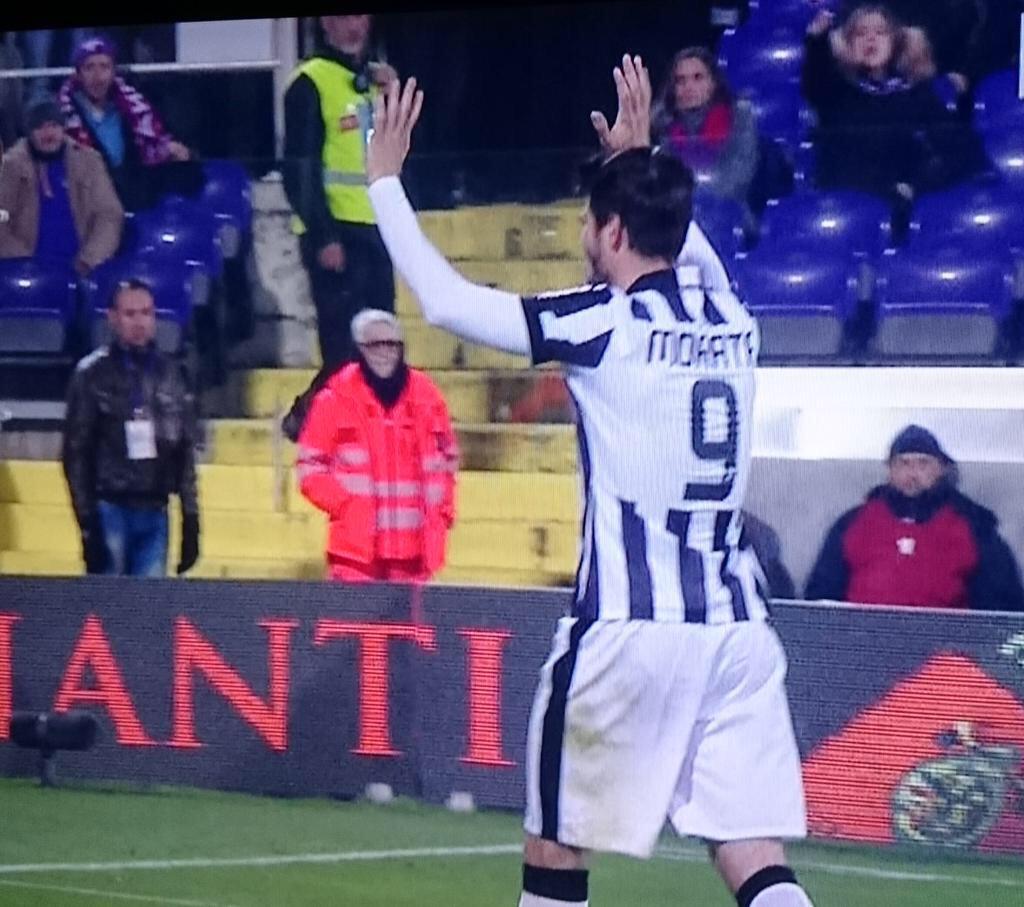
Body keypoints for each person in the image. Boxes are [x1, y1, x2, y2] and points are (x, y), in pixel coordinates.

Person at [365, 62, 815, 907]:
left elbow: (446, 300)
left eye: (590, 221)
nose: (583, 234)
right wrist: (640, 157)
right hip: (737, 630)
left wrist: (385, 181)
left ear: (611, 232)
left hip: (627, 629)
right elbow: (690, 251)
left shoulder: (600, 322)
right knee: (753, 852)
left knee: (558, 846)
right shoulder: (732, 318)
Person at [296, 308, 458, 583]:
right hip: (356, 557)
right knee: (351, 627)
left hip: (416, 557)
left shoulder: (427, 395)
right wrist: (347, 506)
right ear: (359, 349)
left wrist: (443, 512)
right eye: (375, 345)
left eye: (392, 344)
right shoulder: (334, 398)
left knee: (409, 628)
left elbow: (448, 459)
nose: (385, 352)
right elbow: (310, 469)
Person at [801, 5, 988, 234]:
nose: (871, 39)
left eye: (880, 32)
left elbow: (959, 149)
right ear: (848, 45)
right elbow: (814, 85)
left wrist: (913, 186)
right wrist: (817, 43)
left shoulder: (916, 92)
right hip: (854, 210)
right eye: (860, 33)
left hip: (910, 208)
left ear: (895, 42)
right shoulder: (838, 92)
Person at [283, 14, 400, 375]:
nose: (356, 25)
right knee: (344, 355)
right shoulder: (310, 81)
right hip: (336, 234)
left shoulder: (372, 81)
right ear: (325, 22)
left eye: (362, 15)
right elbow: (298, 169)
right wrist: (323, 236)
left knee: (383, 353)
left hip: (375, 229)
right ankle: (311, 419)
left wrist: (393, 97)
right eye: (345, 16)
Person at [62, 278, 201, 578]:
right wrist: (87, 523)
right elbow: (76, 453)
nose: (140, 322)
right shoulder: (91, 374)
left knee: (147, 615)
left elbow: (185, 449)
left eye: (146, 313)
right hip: (109, 507)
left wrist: (191, 518)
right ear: (112, 317)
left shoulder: (172, 374)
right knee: (111, 609)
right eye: (130, 314)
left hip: (156, 509)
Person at [805, 424, 1024, 611]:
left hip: (946, 653)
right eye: (904, 463)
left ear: (940, 469)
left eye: (923, 463)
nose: (912, 473)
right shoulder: (853, 524)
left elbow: (1001, 608)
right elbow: (821, 596)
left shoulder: (975, 527)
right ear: (890, 470)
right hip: (862, 649)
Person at [58, 36, 200, 211]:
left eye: (104, 67)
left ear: (113, 72)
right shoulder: (61, 113)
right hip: (87, 199)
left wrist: (172, 151)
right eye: (89, 68)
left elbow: (154, 145)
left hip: (132, 190)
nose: (98, 76)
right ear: (78, 75)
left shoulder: (134, 106)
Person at [0, 98, 123, 277]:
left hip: (86, 270)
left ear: (63, 127)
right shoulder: (10, 166)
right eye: (39, 127)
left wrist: (89, 260)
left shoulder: (89, 161)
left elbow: (109, 215)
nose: (48, 133)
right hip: (24, 271)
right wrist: (21, 260)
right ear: (29, 132)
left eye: (53, 125)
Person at [652, 47, 760, 218]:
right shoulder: (663, 126)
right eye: (680, 81)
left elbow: (739, 174)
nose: (688, 87)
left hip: (732, 214)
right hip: (674, 218)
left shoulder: (739, 117)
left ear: (714, 83)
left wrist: (692, 194)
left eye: (698, 78)